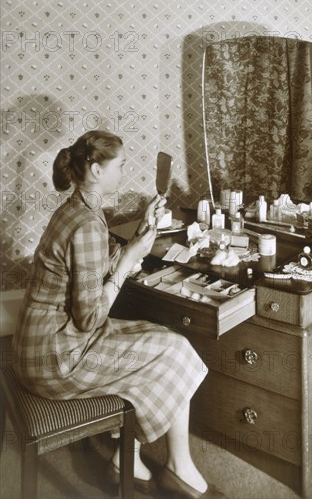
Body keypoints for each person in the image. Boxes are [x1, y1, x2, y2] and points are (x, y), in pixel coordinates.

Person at [12, 130, 209, 498]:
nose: (124, 172)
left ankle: (130, 461)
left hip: (43, 342)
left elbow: (91, 274)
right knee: (174, 350)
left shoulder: (77, 208)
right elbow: (90, 318)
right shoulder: (87, 223)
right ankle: (177, 471)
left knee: (164, 344)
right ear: (96, 169)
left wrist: (138, 236)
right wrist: (130, 260)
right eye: (120, 165)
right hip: (56, 357)